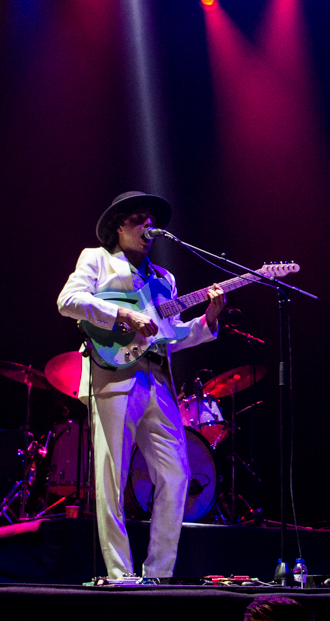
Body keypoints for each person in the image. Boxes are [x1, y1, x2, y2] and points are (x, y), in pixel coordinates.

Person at [58, 191, 225, 584]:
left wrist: (208, 320)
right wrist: (123, 314)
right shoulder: (96, 259)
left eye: (152, 220)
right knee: (112, 476)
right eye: (139, 219)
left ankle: (159, 573)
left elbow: (172, 334)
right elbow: (68, 300)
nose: (148, 226)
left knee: (177, 475)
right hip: (113, 375)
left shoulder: (165, 279)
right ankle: (120, 574)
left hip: (158, 379)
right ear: (119, 225)